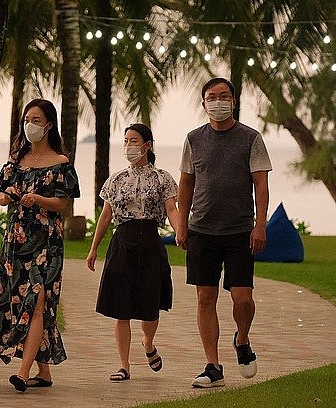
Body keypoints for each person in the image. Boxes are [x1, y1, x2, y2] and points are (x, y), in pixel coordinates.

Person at [176, 77, 272, 388]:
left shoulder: (250, 138)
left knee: (242, 298)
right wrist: (180, 223)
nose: (218, 101)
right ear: (204, 104)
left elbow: (261, 184)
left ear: (233, 101)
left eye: (224, 96)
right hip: (202, 230)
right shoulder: (193, 139)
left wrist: (260, 225)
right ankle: (213, 366)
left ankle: (242, 339)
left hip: (240, 231)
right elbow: (187, 182)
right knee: (205, 297)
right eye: (212, 97)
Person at [0, 99, 80, 393]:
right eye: (27, 119)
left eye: (36, 120)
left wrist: (37, 199)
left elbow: (62, 203)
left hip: (46, 240)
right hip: (17, 237)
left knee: (37, 299)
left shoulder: (61, 163)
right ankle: (44, 372)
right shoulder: (15, 161)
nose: (30, 125)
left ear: (49, 125)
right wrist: (9, 194)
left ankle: (23, 374)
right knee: (20, 300)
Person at [86, 123, 179, 382]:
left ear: (147, 145)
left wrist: (181, 231)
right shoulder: (116, 179)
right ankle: (124, 365)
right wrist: (94, 248)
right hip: (122, 243)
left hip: (150, 242)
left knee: (151, 307)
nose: (128, 145)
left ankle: (148, 343)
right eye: (126, 140)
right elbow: (106, 215)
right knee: (121, 308)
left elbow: (171, 209)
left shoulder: (163, 177)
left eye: (134, 140)